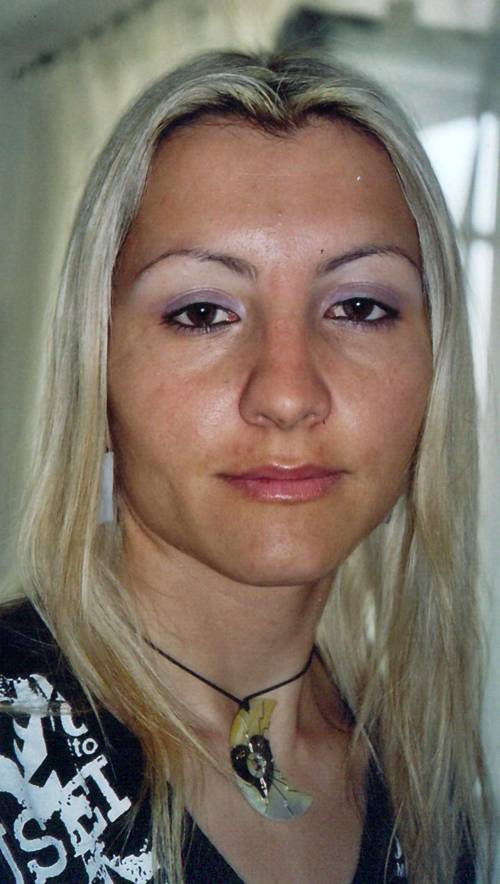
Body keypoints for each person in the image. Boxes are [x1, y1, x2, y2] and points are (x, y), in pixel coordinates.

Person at [0, 49, 488, 883]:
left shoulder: (432, 791)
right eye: (202, 312)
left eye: (359, 306)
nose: (288, 395)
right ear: (98, 368)